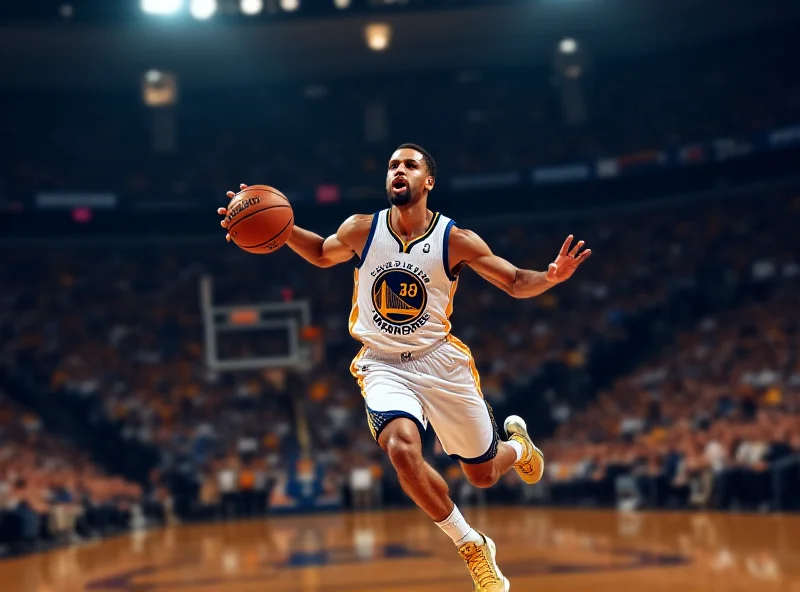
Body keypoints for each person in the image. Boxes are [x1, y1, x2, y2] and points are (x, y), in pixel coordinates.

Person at [217, 143, 591, 591]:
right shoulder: (360, 229)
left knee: (484, 474)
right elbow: (320, 253)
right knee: (400, 449)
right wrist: (278, 226)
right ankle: (471, 544)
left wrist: (549, 277)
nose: (399, 170)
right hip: (381, 364)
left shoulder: (456, 239)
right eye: (393, 165)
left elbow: (512, 281)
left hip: (440, 362)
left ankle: (519, 449)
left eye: (410, 165)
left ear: (427, 181)